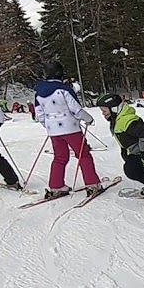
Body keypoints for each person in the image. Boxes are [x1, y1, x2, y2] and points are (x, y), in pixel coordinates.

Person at [34, 61, 105, 200]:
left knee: (60, 157)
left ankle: (56, 186)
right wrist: (88, 119)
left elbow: (39, 115)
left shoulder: (39, 92)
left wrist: (49, 125)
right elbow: (76, 109)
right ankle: (92, 184)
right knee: (83, 155)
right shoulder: (64, 89)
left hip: (53, 131)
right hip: (71, 128)